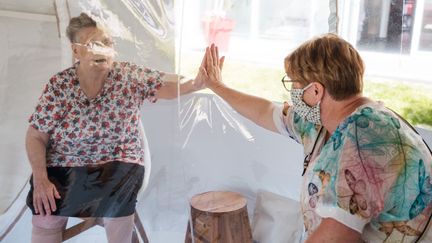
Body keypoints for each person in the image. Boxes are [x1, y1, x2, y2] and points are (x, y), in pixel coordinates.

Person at [199, 35, 432, 242]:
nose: (292, 93)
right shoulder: (325, 121)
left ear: (316, 91)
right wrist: (217, 86)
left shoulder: (367, 139)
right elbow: (265, 111)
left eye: (294, 84)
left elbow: (337, 236)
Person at [25, 13, 204, 243]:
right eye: (94, 44)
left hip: (118, 162)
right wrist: (41, 179)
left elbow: (165, 87)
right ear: (76, 51)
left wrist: (196, 84)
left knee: (116, 207)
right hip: (64, 163)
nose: (103, 50)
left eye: (107, 43)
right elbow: (36, 136)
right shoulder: (59, 85)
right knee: (45, 213)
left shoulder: (127, 76)